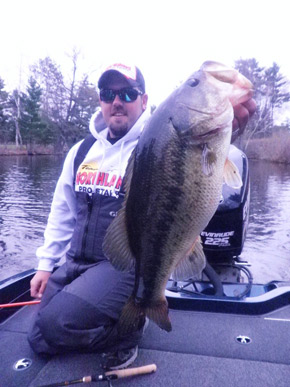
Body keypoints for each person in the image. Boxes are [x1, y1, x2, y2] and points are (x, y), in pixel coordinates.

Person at [28, 63, 256, 370]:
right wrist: (46, 265)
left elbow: (200, 178)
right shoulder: (81, 152)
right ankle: (112, 312)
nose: (117, 101)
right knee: (39, 336)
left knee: (55, 326)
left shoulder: (155, 142)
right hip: (77, 263)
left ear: (144, 101)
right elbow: (62, 212)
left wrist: (228, 129)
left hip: (124, 264)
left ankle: (130, 330)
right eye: (108, 94)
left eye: (128, 93)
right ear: (100, 100)